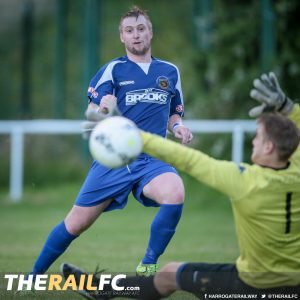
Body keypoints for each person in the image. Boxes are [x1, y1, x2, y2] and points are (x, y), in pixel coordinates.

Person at [61, 72, 300, 299]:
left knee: (169, 276)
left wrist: (127, 131)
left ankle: (102, 290)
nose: (254, 142)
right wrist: (290, 109)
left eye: (258, 137)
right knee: (169, 274)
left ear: (269, 147)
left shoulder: (244, 181)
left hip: (250, 286)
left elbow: (186, 158)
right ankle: (103, 290)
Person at [26, 5, 193, 282]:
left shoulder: (170, 71)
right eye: (130, 31)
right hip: (114, 159)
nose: (136, 35)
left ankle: (148, 265)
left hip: (151, 158)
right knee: (76, 223)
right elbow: (90, 114)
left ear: (150, 32)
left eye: (141, 29)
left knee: (175, 192)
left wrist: (179, 127)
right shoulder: (113, 70)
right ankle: (33, 277)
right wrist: (104, 110)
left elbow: (174, 112)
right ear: (122, 37)